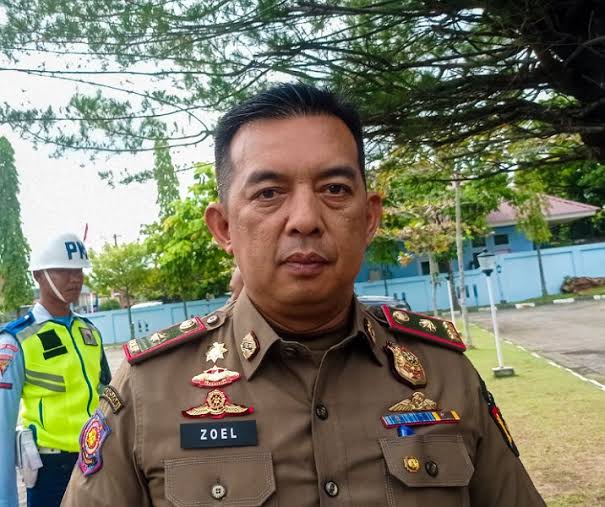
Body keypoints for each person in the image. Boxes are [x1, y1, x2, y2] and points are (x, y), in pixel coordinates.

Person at [62, 84, 545, 506]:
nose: (305, 219)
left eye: (334, 188)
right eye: (268, 193)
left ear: (369, 218)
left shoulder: (443, 375)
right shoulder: (149, 389)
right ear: (224, 227)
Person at [0, 233, 111, 507]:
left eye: (78, 270)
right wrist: (6, 499)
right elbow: (2, 424)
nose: (75, 279)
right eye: (63, 270)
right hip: (50, 468)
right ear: (38, 275)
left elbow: (108, 397)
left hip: (98, 459)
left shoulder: (89, 331)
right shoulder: (16, 340)